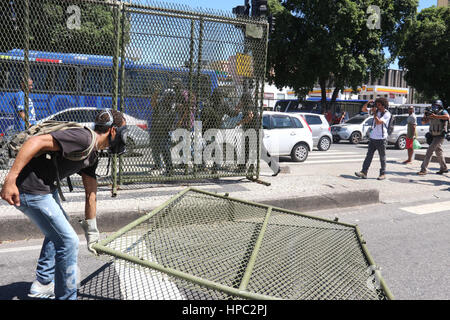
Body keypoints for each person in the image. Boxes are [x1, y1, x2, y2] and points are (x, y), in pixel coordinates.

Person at [0, 109, 127, 300]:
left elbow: (90, 193)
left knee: (60, 230)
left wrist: (92, 232)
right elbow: (34, 142)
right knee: (68, 241)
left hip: (44, 189)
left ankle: (42, 283)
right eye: (124, 132)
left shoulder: (92, 153)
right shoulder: (83, 138)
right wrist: (11, 179)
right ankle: (67, 297)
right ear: (114, 132)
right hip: (30, 191)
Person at [355, 98, 391, 180]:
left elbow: (378, 122)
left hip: (381, 138)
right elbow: (363, 109)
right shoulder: (376, 111)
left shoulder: (387, 114)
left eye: (379, 105)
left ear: (383, 105)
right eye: (376, 105)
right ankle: (364, 172)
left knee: (382, 157)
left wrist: (374, 113)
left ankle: (383, 173)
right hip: (373, 137)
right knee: (369, 156)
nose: (377, 106)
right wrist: (367, 103)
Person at [417, 100, 449, 175]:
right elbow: (423, 122)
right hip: (433, 135)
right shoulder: (432, 113)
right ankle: (444, 168)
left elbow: (447, 117)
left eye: (436, 105)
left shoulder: (443, 112)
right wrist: (426, 115)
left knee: (429, 151)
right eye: (433, 105)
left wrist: (436, 116)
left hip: (440, 135)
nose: (434, 107)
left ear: (440, 106)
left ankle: (423, 169)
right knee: (439, 152)